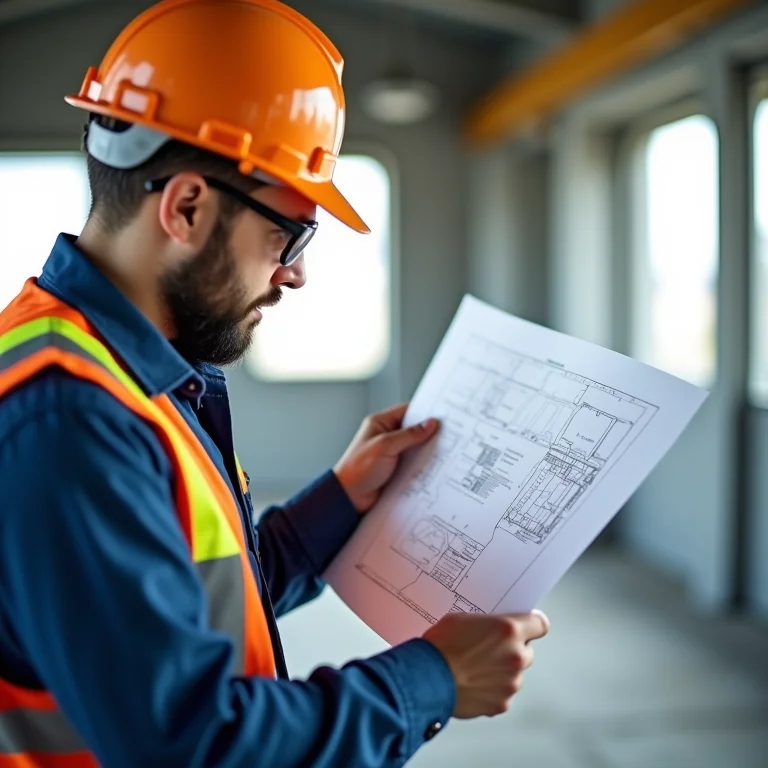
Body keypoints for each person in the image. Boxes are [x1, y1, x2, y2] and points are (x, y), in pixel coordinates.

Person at [0, 0, 550, 766]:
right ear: (187, 206)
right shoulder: (70, 419)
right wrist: (434, 678)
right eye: (288, 234)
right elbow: (195, 743)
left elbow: (195, 599)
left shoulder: (118, 367)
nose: (294, 272)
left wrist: (341, 500)